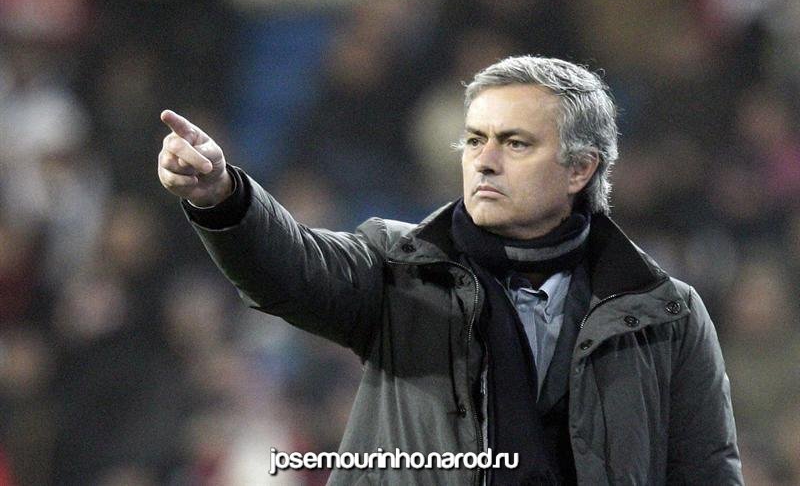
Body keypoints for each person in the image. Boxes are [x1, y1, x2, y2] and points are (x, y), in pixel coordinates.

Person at [157, 56, 743, 485]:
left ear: (580, 169)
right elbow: (293, 270)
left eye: (515, 144)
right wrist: (224, 196)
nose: (484, 161)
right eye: (475, 140)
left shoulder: (665, 313)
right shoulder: (400, 264)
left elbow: (707, 471)